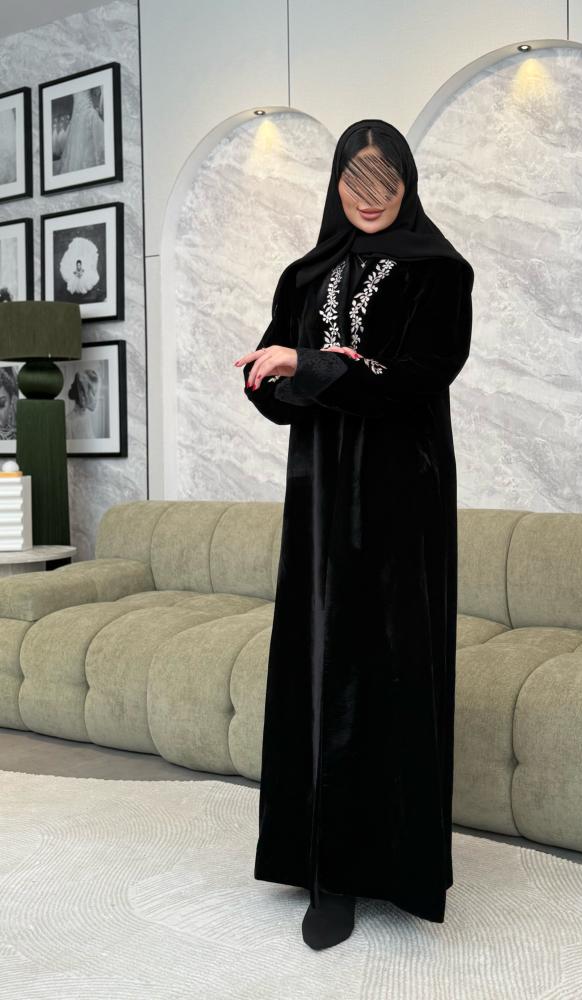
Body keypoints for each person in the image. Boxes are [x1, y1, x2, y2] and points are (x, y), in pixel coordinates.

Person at [234, 118, 474, 950]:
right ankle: (322, 871)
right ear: (335, 185)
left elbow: (417, 379)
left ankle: (396, 868)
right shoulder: (305, 274)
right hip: (320, 498)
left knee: (387, 666)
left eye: (385, 182)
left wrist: (312, 365)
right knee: (319, 663)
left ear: (408, 185)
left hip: (402, 498)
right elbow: (278, 392)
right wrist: (272, 375)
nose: (369, 199)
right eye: (354, 182)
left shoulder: (438, 272)